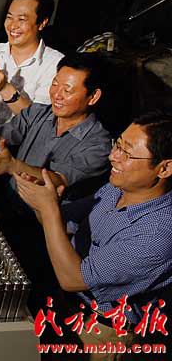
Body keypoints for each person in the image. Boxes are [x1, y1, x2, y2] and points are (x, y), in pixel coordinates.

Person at [0, 53, 112, 311]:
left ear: (93, 97)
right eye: (55, 85)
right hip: (8, 211)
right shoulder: (39, 113)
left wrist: (13, 166)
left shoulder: (99, 144)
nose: (57, 95)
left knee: (33, 297)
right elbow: (0, 135)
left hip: (46, 232)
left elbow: (58, 179)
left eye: (68, 90)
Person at [14, 112, 172, 359]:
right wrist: (43, 199)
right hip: (64, 307)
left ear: (164, 168)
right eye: (117, 145)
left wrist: (49, 208)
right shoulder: (115, 188)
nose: (113, 156)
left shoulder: (158, 233)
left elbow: (73, 278)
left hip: (98, 331)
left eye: (126, 153)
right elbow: (60, 224)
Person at [0, 0, 65, 129]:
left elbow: (38, 122)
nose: (12, 26)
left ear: (42, 23)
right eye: (9, 17)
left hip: (20, 141)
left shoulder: (55, 64)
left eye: (21, 19)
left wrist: (5, 89)